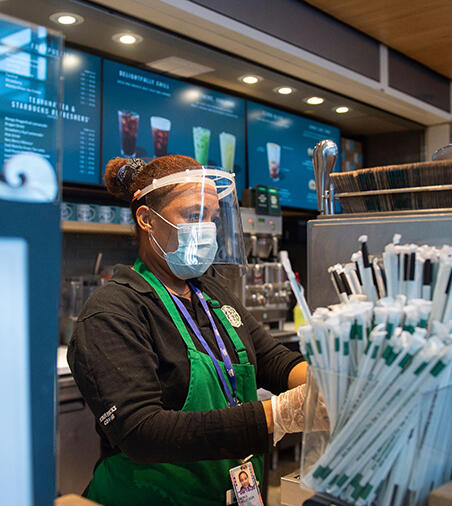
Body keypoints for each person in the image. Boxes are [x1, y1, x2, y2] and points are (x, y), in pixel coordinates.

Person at [67, 155, 313, 505]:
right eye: (193, 215)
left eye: (211, 218)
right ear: (147, 219)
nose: (206, 228)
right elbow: (142, 431)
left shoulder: (210, 293)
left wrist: (326, 387)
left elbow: (273, 360)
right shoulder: (113, 311)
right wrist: (278, 415)